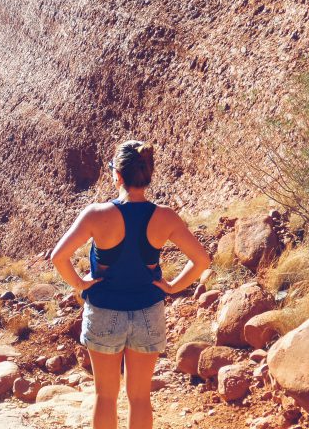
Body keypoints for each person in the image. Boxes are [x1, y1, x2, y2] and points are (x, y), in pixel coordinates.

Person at [51, 140, 212, 429]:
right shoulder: (165, 216)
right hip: (147, 312)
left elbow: (58, 257)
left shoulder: (96, 215)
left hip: (103, 312)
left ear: (118, 176)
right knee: (139, 397)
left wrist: (79, 284)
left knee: (105, 396)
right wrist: (173, 286)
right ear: (147, 174)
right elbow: (201, 260)